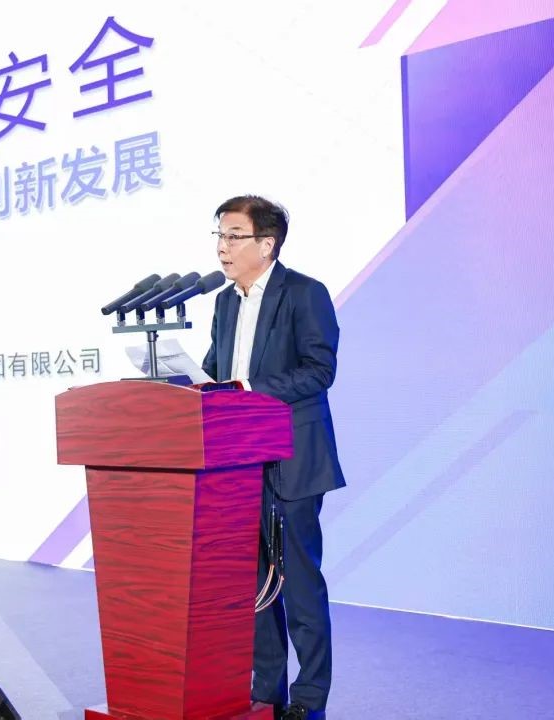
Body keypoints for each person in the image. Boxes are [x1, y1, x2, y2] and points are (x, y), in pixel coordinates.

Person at [201, 195, 346, 720]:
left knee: (299, 584)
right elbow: (216, 370)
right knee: (255, 586)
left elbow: (319, 370)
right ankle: (267, 692)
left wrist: (248, 389)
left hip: (293, 460)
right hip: (236, 465)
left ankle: (309, 700)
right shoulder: (224, 303)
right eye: (219, 235)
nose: (222, 247)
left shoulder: (304, 293)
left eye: (233, 236)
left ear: (267, 244)